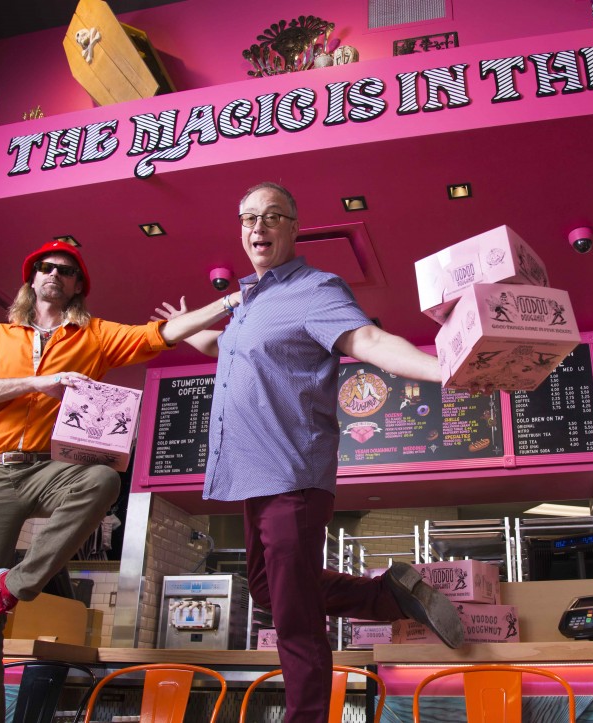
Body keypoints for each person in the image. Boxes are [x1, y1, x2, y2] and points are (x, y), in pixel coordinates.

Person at [157, 182, 464, 723]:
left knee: (294, 616)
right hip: (248, 475)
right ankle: (385, 599)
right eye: (249, 217)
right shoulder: (248, 303)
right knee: (268, 593)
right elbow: (222, 348)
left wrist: (450, 369)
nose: (259, 227)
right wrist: (193, 329)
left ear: (294, 227)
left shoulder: (316, 288)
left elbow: (367, 342)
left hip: (290, 470)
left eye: (273, 216)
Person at [0, 240, 241, 723]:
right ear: (32, 278)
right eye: (45, 267)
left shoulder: (93, 335)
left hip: (48, 468)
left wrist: (227, 302)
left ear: (78, 285)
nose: (54, 274)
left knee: (102, 480)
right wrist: (39, 382)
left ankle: (14, 586)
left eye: (65, 270)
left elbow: (161, 333)